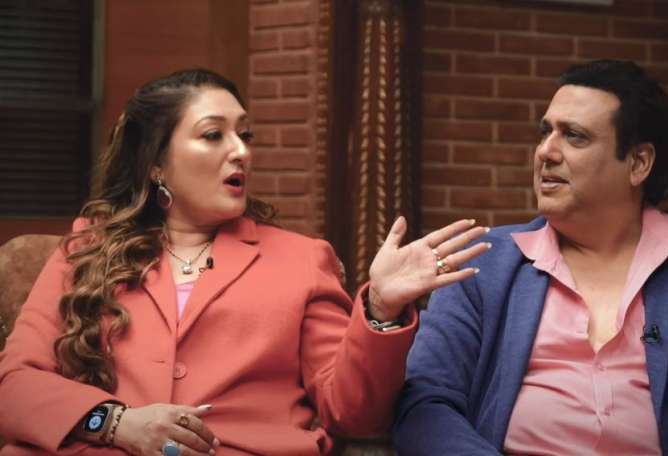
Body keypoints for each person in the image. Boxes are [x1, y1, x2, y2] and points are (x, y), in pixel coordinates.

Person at [0, 69, 491, 455]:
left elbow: (353, 415)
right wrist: (116, 423)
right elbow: (14, 386)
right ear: (155, 163)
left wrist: (381, 309)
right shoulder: (85, 249)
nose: (241, 152)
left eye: (246, 135)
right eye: (213, 135)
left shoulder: (301, 260)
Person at [393, 60, 668, 455]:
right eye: (545, 132)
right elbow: (425, 406)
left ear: (638, 163)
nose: (545, 152)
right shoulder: (481, 265)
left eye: (574, 136)